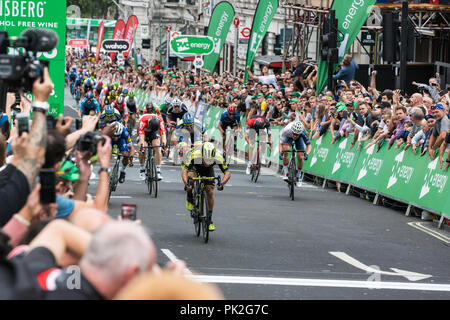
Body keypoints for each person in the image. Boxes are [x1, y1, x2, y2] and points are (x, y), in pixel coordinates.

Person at [182, 142, 231, 232]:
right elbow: (184, 171)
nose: (207, 162)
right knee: (191, 178)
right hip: (195, 168)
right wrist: (187, 184)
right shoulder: (194, 155)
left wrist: (221, 184)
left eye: (210, 160)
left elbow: (227, 173)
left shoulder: (218, 157)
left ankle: (209, 219)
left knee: (210, 191)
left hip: (208, 171)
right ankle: (189, 198)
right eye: (205, 159)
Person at [280, 121, 312, 187]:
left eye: (296, 134)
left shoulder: (303, 133)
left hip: (299, 139)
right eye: (294, 134)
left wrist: (307, 154)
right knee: (286, 151)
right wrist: (281, 153)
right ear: (292, 131)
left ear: (300, 133)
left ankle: (299, 175)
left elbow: (309, 145)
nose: (295, 136)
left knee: (301, 156)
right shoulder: (287, 130)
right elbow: (280, 143)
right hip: (288, 137)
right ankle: (286, 172)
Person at [138, 111, 167, 181]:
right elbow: (141, 137)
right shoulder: (142, 122)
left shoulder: (160, 121)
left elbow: (163, 134)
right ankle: (142, 169)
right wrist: (142, 146)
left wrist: (163, 145)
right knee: (143, 147)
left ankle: (158, 170)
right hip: (144, 132)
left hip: (154, 132)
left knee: (157, 146)